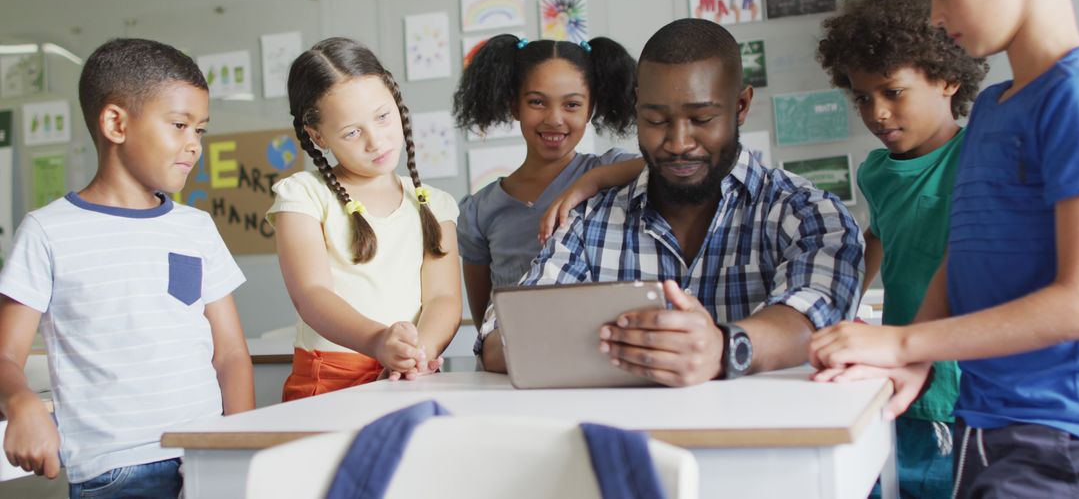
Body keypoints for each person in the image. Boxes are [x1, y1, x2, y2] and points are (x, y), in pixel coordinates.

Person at [811, 0, 1079, 496]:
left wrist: (905, 344)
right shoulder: (991, 108)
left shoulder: (1070, 101)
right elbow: (961, 253)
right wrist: (913, 360)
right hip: (983, 418)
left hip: (1055, 432)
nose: (935, 16)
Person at [478, 18, 864, 387]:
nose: (679, 143)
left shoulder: (806, 213)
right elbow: (500, 339)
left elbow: (816, 314)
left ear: (741, 106)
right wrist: (640, 349)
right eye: (657, 121)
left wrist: (723, 348)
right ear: (636, 106)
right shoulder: (587, 220)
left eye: (701, 119)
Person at [0, 38, 253, 497]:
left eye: (201, 130)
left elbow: (231, 354)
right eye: (179, 125)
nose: (193, 145)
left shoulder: (196, 228)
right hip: (116, 472)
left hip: (207, 458)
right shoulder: (46, 232)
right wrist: (21, 404)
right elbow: (5, 355)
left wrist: (239, 446)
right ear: (116, 123)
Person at [816, 0, 988, 498]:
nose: (877, 114)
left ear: (947, 79)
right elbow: (877, 235)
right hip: (895, 376)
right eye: (863, 98)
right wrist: (840, 304)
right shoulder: (876, 172)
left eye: (893, 92)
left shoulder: (979, 155)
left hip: (959, 384)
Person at [268, 37, 461, 401]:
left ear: (395, 100)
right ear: (318, 136)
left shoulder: (436, 204)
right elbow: (311, 294)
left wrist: (416, 353)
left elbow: (444, 298)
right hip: (327, 384)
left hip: (413, 378)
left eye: (383, 117)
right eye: (352, 132)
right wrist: (378, 341)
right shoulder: (302, 195)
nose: (376, 141)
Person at [453, 34, 642, 328]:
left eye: (572, 105)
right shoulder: (479, 210)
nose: (554, 119)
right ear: (514, 106)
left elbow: (665, 166)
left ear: (590, 109)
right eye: (537, 102)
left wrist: (593, 180)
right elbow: (484, 325)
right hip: (513, 363)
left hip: (596, 356)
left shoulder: (613, 173)